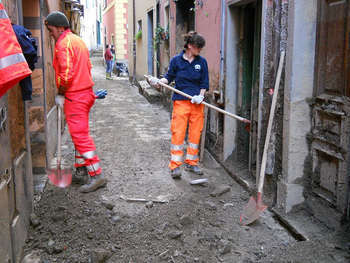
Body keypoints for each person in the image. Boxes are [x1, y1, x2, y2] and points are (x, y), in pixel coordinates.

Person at [45, 11, 107, 192]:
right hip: (86, 94)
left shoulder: (62, 44)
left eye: (50, 30)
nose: (50, 34)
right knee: (79, 133)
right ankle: (80, 170)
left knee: (80, 137)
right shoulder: (78, 41)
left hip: (75, 96)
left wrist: (61, 92)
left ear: (58, 27)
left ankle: (96, 175)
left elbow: (66, 74)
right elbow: (86, 67)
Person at [149, 31, 209, 178]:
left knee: (195, 134)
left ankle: (191, 163)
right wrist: (159, 82)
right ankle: (175, 166)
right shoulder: (176, 61)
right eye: (198, 47)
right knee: (178, 133)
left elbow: (204, 83)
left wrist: (200, 96)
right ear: (189, 46)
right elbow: (168, 78)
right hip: (181, 102)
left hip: (196, 103)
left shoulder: (202, 62)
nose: (200, 50)